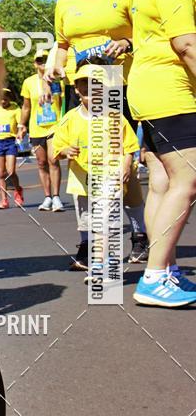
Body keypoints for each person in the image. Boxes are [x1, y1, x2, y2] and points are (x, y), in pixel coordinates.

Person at [126, 0, 196, 307]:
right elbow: (187, 45)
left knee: (163, 183)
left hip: (147, 92)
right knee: (188, 180)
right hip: (170, 92)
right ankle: (154, 277)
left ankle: (164, 269)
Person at [52, 63, 145, 273]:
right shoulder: (70, 118)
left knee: (105, 220)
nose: (89, 89)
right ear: (77, 89)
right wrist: (66, 150)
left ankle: (100, 265)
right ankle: (100, 260)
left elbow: (130, 146)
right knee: (89, 222)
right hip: (83, 182)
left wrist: (126, 166)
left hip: (110, 178)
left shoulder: (115, 117)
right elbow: (56, 149)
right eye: (84, 86)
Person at [46, 0, 138, 128]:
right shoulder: (64, 2)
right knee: (78, 145)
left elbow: (148, 36)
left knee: (115, 144)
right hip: (78, 86)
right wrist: (57, 66)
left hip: (117, 83)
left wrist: (126, 42)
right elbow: (62, 46)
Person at [18, 52, 63, 211]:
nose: (42, 62)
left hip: (55, 126)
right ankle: (47, 197)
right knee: (41, 163)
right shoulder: (28, 82)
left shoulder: (57, 79)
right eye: (39, 60)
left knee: (53, 160)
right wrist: (21, 125)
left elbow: (63, 101)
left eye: (45, 59)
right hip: (37, 128)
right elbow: (26, 107)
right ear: (35, 64)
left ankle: (56, 197)